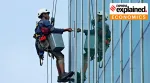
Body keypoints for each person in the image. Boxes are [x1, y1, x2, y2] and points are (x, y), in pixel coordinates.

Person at [33, 8, 74, 82]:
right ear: (43, 15)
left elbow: (37, 41)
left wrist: (40, 53)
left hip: (42, 44)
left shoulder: (39, 23)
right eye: (47, 14)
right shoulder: (45, 22)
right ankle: (62, 74)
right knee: (60, 56)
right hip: (45, 43)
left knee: (59, 56)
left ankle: (61, 76)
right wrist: (65, 30)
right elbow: (52, 30)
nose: (48, 15)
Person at [77, 11, 111, 82]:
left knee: (85, 57)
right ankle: (82, 75)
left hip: (98, 45)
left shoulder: (101, 24)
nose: (96, 17)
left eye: (98, 16)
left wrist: (83, 30)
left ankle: (82, 75)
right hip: (101, 46)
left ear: (101, 17)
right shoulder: (104, 25)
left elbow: (94, 32)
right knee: (86, 56)